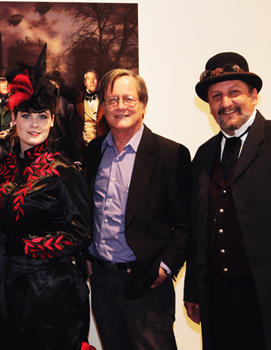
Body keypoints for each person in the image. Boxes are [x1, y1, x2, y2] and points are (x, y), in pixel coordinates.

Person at [184, 52, 271, 350]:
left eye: (234, 92)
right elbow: (197, 230)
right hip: (219, 303)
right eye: (216, 96)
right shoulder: (204, 155)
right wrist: (194, 291)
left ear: (254, 95)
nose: (225, 103)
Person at [0, 51, 93, 350]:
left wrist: (29, 246)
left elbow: (80, 234)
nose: (34, 123)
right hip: (3, 293)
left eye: (42, 116)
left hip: (53, 294)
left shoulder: (64, 171)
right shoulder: (1, 170)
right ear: (13, 118)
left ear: (52, 121)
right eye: (26, 115)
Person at [84, 69, 191, 349]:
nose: (121, 106)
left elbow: (185, 224)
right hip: (102, 280)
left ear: (143, 104)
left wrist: (165, 268)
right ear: (103, 108)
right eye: (112, 100)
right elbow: (86, 211)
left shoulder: (170, 154)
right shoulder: (94, 152)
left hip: (146, 282)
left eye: (128, 99)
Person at [47, 76, 82, 163]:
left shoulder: (67, 106)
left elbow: (72, 134)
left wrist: (76, 157)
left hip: (62, 149)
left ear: (58, 87)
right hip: (45, 149)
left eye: (53, 85)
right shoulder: (41, 104)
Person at [75, 70, 108, 150]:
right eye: (88, 79)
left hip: (101, 144)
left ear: (98, 81)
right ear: (85, 82)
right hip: (85, 145)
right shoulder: (78, 101)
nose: (91, 82)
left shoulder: (105, 100)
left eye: (94, 79)